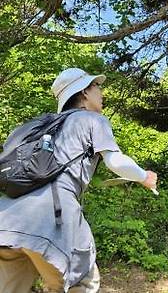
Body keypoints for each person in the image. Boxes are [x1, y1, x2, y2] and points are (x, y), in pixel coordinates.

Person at [0, 67, 158, 293]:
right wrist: (145, 177)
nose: (102, 92)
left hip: (6, 221)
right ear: (84, 92)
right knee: (83, 283)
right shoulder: (93, 120)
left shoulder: (36, 127)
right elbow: (116, 162)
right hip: (52, 219)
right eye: (97, 86)